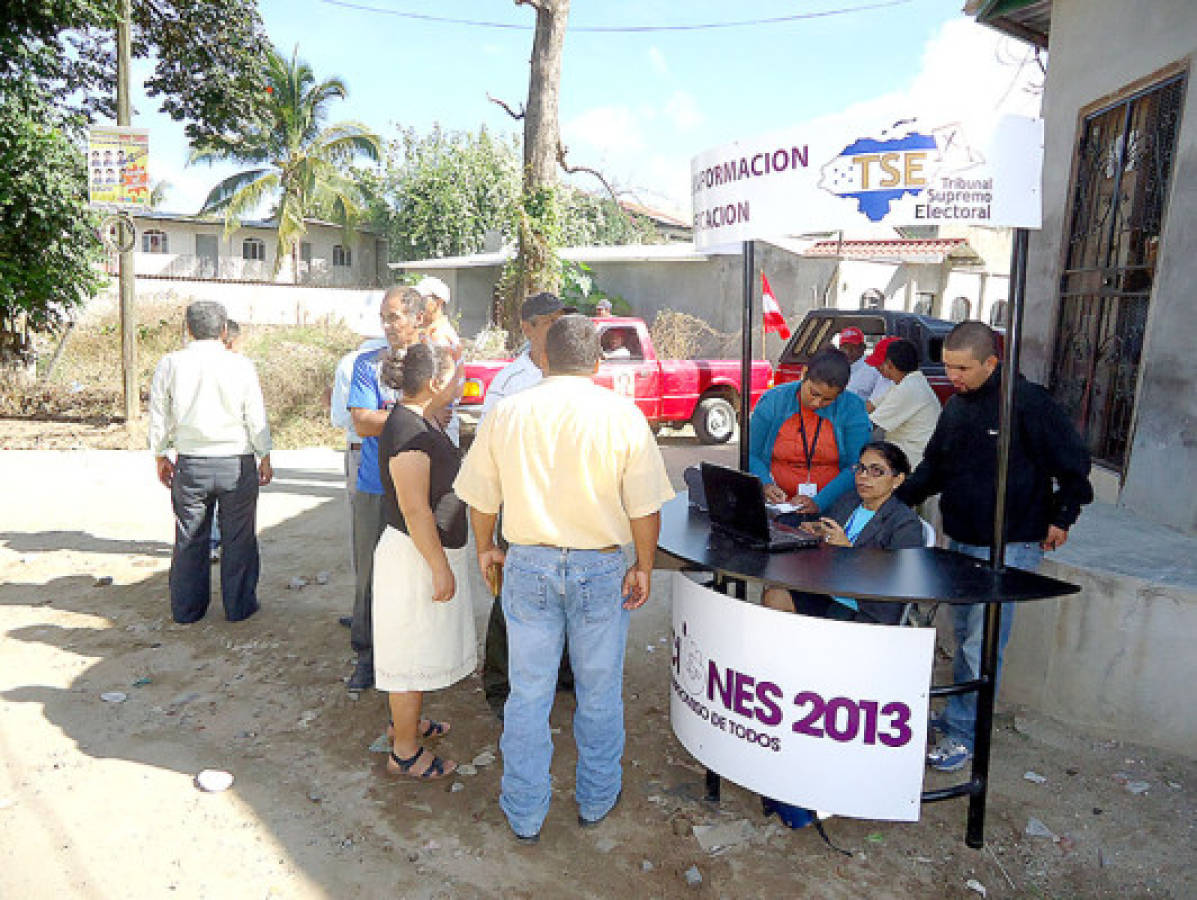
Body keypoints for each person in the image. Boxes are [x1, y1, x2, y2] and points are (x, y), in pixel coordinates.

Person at [454, 315, 674, 843]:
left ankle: (524, 809)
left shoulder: (508, 412)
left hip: (528, 562)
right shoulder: (621, 415)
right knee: (600, 691)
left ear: (543, 358)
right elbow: (644, 507)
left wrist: (487, 548)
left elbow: (481, 499)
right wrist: (642, 564)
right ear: (598, 363)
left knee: (528, 693)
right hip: (600, 566)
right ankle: (596, 798)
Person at [897, 321, 1093, 772]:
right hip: (960, 537)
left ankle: (965, 734)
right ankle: (958, 715)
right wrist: (894, 503)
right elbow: (934, 466)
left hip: (1011, 542)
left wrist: (1063, 516)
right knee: (963, 635)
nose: (953, 377)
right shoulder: (957, 406)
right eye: (947, 366)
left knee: (980, 647)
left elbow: (1075, 466)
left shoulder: (1028, 404)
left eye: (963, 368)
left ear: (991, 362)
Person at [374, 342, 475, 781]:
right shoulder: (408, 434)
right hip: (414, 558)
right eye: (456, 378)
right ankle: (405, 749)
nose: (460, 386)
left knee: (417, 648)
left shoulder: (418, 422)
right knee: (409, 655)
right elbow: (415, 509)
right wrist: (439, 566)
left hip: (422, 552)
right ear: (435, 383)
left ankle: (408, 724)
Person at [477, 292, 571, 720]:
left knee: (568, 588)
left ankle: (564, 674)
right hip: (521, 509)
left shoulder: (577, 375)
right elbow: (486, 455)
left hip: (569, 507)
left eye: (561, 319)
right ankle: (500, 685)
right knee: (511, 598)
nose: (557, 328)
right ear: (527, 329)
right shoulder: (509, 382)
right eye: (549, 321)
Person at [149, 300, 272, 624]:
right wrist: (265, 455)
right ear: (223, 330)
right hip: (236, 462)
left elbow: (159, 414)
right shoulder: (241, 365)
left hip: (190, 463)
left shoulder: (171, 363)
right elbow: (255, 415)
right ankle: (239, 607)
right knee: (239, 538)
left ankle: (188, 610)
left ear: (188, 329)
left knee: (189, 538)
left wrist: (160, 454)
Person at [344, 286, 427, 691]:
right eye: (385, 318)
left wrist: (390, 415)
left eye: (396, 316)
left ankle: (418, 656)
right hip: (377, 486)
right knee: (369, 576)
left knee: (423, 574)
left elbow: (441, 413)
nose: (389, 325)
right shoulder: (367, 364)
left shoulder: (438, 361)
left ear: (419, 318)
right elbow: (361, 422)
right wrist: (413, 414)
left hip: (426, 487)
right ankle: (366, 656)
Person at [764, 440, 924, 624]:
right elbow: (831, 529)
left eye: (876, 471)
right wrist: (817, 530)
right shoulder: (850, 501)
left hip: (863, 605)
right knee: (774, 595)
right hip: (829, 589)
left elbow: (897, 581)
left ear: (897, 480)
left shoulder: (904, 523)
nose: (864, 476)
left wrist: (847, 549)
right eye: (861, 468)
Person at [748, 347, 872, 516]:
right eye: (813, 393)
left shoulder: (853, 408)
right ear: (804, 373)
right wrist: (766, 484)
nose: (817, 403)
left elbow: (856, 465)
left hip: (834, 505)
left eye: (828, 399)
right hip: (777, 504)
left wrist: (820, 501)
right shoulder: (773, 401)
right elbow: (750, 454)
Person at [329, 311, 389, 627]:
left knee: (365, 541)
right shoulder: (418, 358)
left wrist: (371, 420)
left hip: (359, 455)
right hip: (390, 456)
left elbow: (343, 419)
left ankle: (364, 615)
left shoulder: (354, 362)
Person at [866, 337, 940, 469]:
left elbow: (869, 425)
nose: (878, 370)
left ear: (889, 364)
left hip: (913, 460)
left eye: (879, 365)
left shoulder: (909, 388)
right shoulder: (907, 382)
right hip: (908, 454)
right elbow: (869, 407)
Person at [208, 319, 245, 562]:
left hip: (196, 450)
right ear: (229, 341)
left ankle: (211, 543)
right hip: (231, 450)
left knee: (203, 509)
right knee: (234, 512)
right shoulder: (239, 367)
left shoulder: (186, 365)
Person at [415, 276, 463, 445]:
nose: (418, 304)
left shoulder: (440, 336)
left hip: (438, 418)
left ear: (439, 302)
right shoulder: (429, 333)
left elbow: (445, 385)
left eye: (423, 299)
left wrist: (430, 412)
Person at [839, 327, 880, 401]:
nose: (848, 351)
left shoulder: (874, 371)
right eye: (845, 347)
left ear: (863, 348)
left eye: (853, 347)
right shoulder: (834, 368)